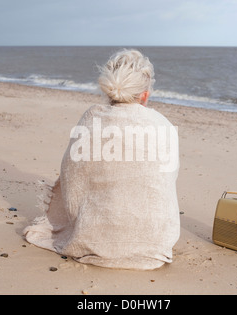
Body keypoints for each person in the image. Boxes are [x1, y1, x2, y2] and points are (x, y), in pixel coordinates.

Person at [24, 49, 180, 270]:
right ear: (144, 96)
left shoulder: (92, 118)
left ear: (109, 92)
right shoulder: (162, 125)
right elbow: (166, 181)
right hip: (155, 246)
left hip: (94, 241)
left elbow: (71, 177)